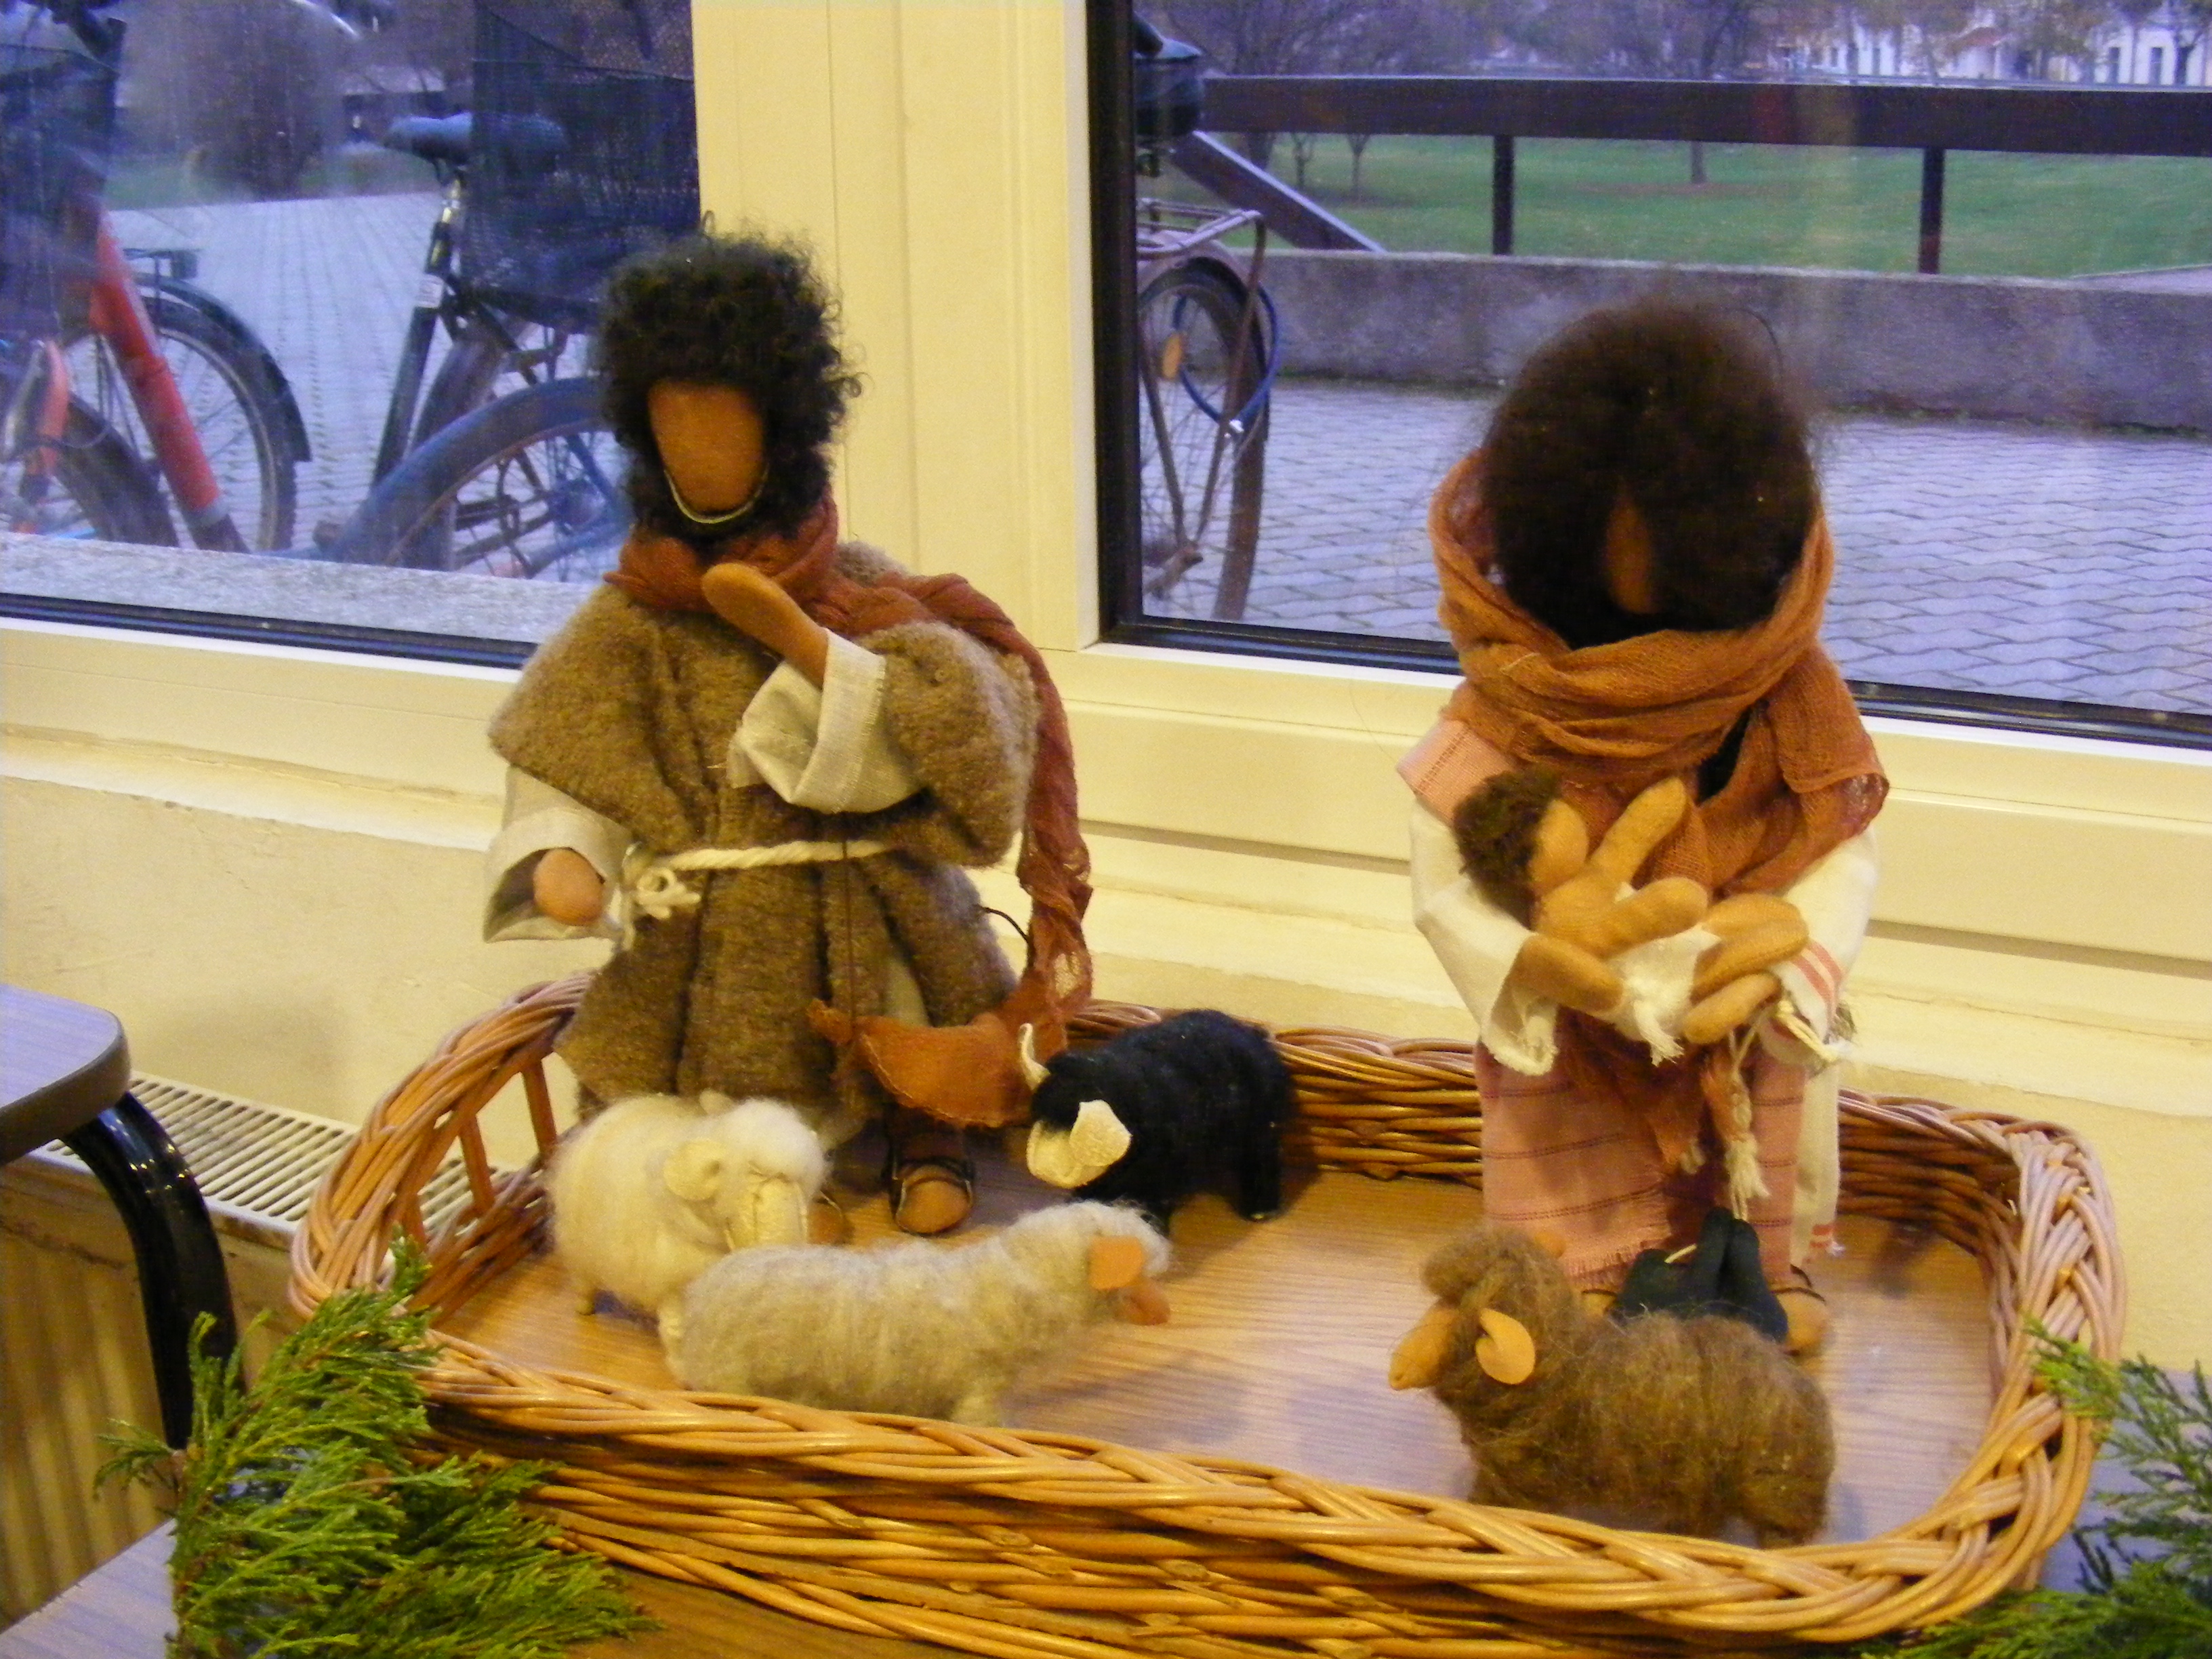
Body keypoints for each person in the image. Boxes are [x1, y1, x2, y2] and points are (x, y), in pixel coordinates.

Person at [482, 232, 1088, 1235]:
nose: (704, 461)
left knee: (912, 1015)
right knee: (705, 1066)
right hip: (715, 924)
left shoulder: (864, 591)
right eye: (678, 433)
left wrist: (811, 650)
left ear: (786, 429)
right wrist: (566, 848)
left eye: (726, 430)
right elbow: (566, 748)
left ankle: (925, 1137)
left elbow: (961, 734)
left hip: (870, 894)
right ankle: (763, 1188)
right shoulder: (631, 619)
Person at [1401, 299, 1885, 1350]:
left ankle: (1759, 1271)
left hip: (1739, 1017)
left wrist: (1778, 977)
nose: (1649, 659)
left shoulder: (1792, 705)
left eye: (1678, 624)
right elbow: (1446, 876)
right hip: (1575, 1031)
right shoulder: (1511, 709)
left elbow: (1835, 855)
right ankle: (1579, 1269)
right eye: (1615, 627)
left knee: (1764, 1118)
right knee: (1561, 1138)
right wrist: (1539, 962)